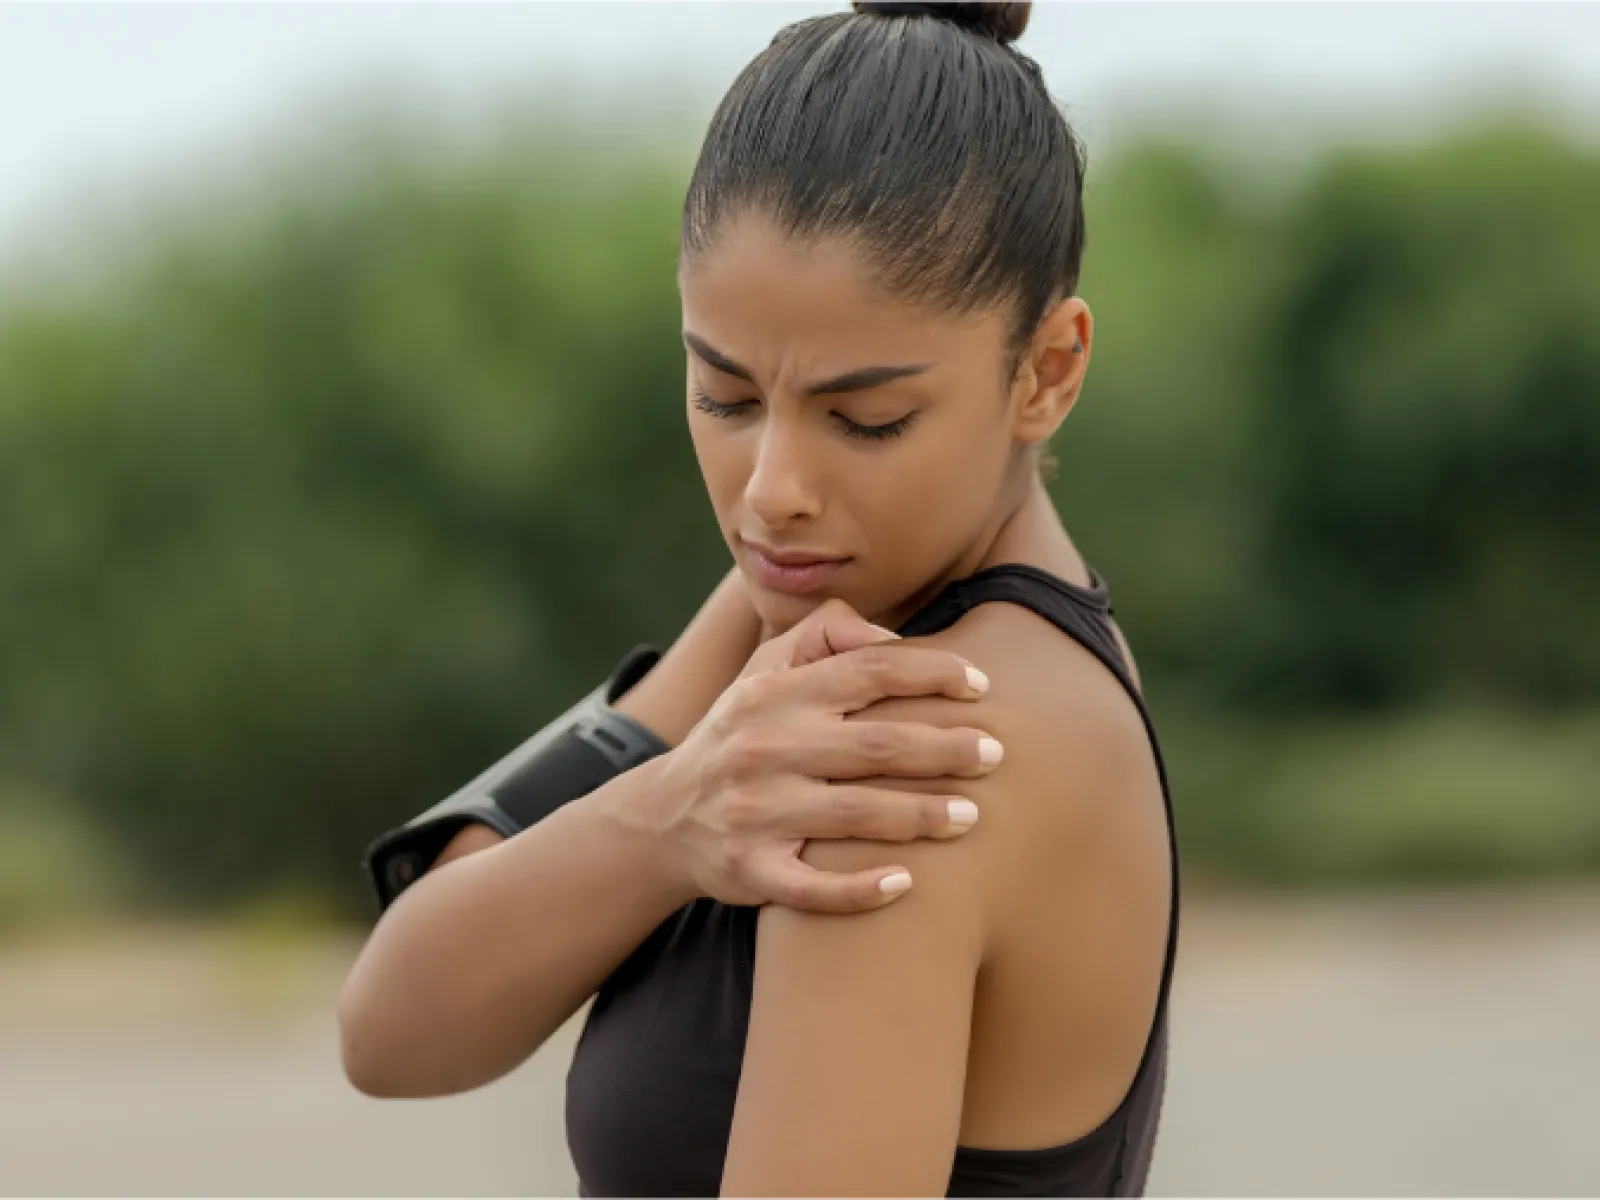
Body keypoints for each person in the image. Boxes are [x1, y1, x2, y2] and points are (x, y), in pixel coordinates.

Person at [338, 3, 1180, 1196]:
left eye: (866, 418)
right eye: (725, 396)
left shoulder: (907, 743)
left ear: (1046, 370)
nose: (772, 492)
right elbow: (393, 1024)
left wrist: (674, 812)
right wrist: (667, 821)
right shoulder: (808, 598)